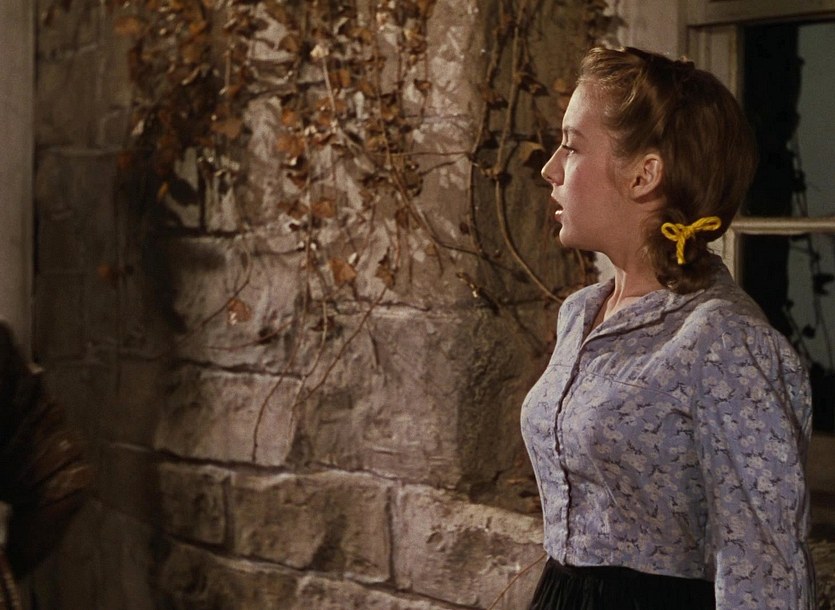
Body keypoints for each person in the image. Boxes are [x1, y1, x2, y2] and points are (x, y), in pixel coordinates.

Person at [520, 46, 813, 609]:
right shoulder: (581, 312)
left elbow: (763, 567)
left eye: (572, 146)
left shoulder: (723, 341)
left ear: (644, 174)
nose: (549, 169)